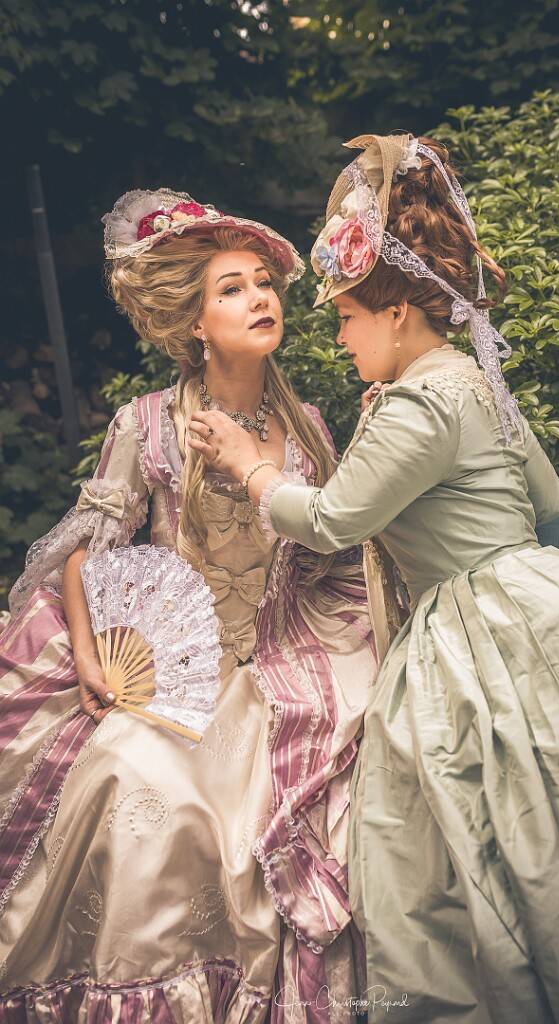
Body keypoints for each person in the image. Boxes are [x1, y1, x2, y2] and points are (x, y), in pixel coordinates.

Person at [188, 136, 559, 1023]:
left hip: (472, 620)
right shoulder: (475, 381)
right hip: (557, 597)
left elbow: (332, 519)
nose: (339, 337)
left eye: (347, 318)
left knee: (463, 839)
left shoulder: (416, 401)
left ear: (396, 316)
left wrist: (248, 467)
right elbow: (543, 498)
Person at [0, 189, 376, 1021]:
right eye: (232, 289)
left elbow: (336, 545)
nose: (260, 299)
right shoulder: (146, 423)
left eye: (264, 285)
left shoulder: (308, 426)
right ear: (196, 324)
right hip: (177, 672)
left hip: (289, 648)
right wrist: (91, 659)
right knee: (134, 785)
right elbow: (86, 551)